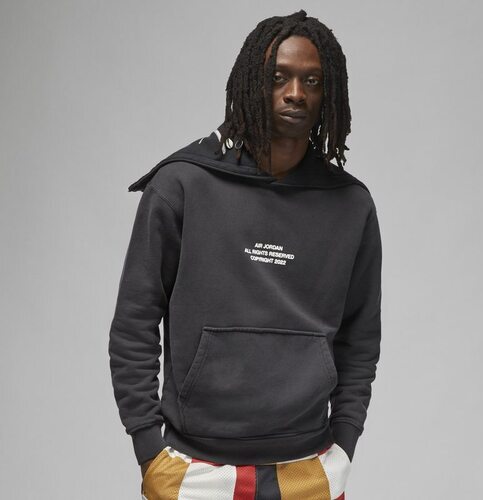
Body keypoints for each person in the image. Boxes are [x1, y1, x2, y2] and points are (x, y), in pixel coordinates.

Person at [108, 9, 382, 500]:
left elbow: (361, 338)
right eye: (279, 78)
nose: (295, 93)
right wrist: (148, 446)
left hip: (308, 466)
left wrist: (345, 443)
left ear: (329, 94)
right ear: (252, 83)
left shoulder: (351, 205)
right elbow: (134, 322)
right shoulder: (182, 184)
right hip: (192, 466)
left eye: (312, 81)